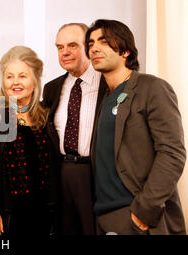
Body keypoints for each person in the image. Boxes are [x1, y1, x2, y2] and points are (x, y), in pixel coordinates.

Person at [86, 19, 186, 235]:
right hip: (104, 218)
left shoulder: (152, 88)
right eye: (91, 43)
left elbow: (172, 153)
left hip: (138, 218)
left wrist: (143, 211)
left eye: (103, 41)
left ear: (126, 51)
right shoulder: (103, 99)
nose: (94, 48)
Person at [0, 46, 59, 236]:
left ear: (35, 81)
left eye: (22, 76)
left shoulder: (46, 116)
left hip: (44, 213)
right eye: (9, 76)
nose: (15, 82)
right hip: (7, 214)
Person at [42, 23, 108, 235]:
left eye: (72, 45)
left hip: (96, 174)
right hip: (62, 173)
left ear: (88, 47)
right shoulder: (52, 88)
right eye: (60, 47)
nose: (65, 52)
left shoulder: (108, 84)